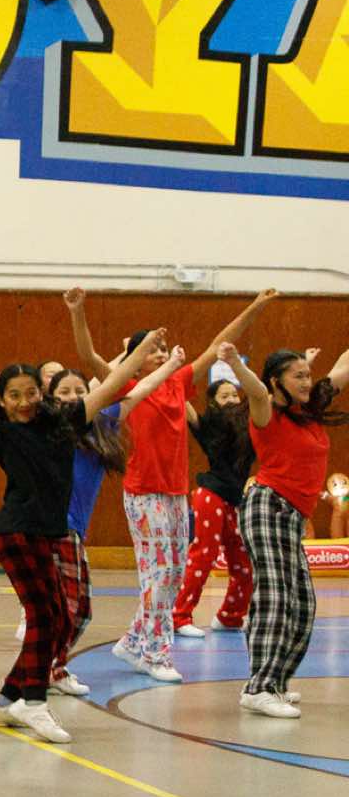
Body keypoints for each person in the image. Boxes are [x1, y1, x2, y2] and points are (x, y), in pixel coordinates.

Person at [0, 337, 164, 744]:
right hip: (16, 534)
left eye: (31, 393)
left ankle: (6, 699)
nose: (24, 402)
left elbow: (113, 382)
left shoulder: (66, 424)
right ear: (2, 400)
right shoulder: (3, 431)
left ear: (42, 395)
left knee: (60, 619)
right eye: (14, 396)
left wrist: (142, 346)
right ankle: (33, 701)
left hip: (44, 535)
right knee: (46, 619)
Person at [68, 287, 278, 682]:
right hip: (143, 493)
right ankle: (154, 653)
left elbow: (217, 346)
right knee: (158, 574)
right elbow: (87, 356)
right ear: (135, 359)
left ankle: (133, 640)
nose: (161, 355)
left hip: (177, 493)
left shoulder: (178, 382)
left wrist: (254, 307)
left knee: (174, 573)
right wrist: (77, 312)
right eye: (153, 350)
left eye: (163, 349)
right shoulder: (127, 387)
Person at [224, 341, 349, 718]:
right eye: (298, 376)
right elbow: (255, 388)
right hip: (268, 507)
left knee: (304, 605)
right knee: (276, 596)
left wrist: (313, 371)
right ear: (277, 382)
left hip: (291, 517)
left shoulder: (308, 410)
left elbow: (343, 367)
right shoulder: (266, 410)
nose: (308, 382)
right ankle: (259, 688)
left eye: (308, 375)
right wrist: (235, 363)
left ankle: (273, 680)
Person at [174, 369, 263, 638]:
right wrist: (169, 374)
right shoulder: (206, 426)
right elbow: (181, 400)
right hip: (210, 495)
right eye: (225, 396)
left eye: (235, 394)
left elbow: (263, 398)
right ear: (213, 403)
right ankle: (179, 616)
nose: (232, 399)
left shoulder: (250, 427)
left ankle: (231, 616)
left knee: (244, 563)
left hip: (235, 501)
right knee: (204, 556)